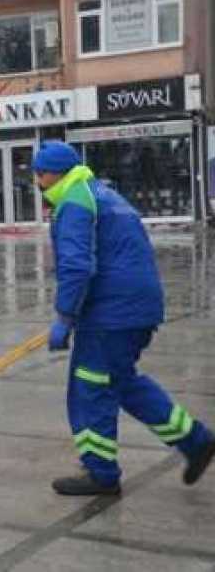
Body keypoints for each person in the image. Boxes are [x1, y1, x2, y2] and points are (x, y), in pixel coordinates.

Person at [31, 141, 214, 496]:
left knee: (91, 388)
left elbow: (77, 265)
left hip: (110, 314)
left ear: (54, 174)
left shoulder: (74, 201)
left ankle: (101, 473)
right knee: (122, 383)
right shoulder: (102, 194)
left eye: (40, 174)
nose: (37, 181)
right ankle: (196, 441)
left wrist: (65, 317)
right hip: (137, 307)